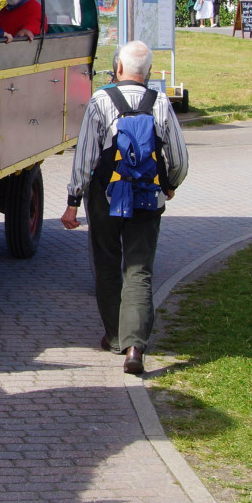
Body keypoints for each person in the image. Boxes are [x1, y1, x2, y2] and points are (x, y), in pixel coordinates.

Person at [61, 40, 189, 376]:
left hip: (106, 196)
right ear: (148, 72)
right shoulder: (160, 102)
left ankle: (115, 337)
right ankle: (136, 347)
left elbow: (85, 155)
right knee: (139, 270)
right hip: (147, 196)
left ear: (118, 68)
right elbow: (178, 157)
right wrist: (170, 183)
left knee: (106, 265)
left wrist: (73, 202)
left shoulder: (101, 100)